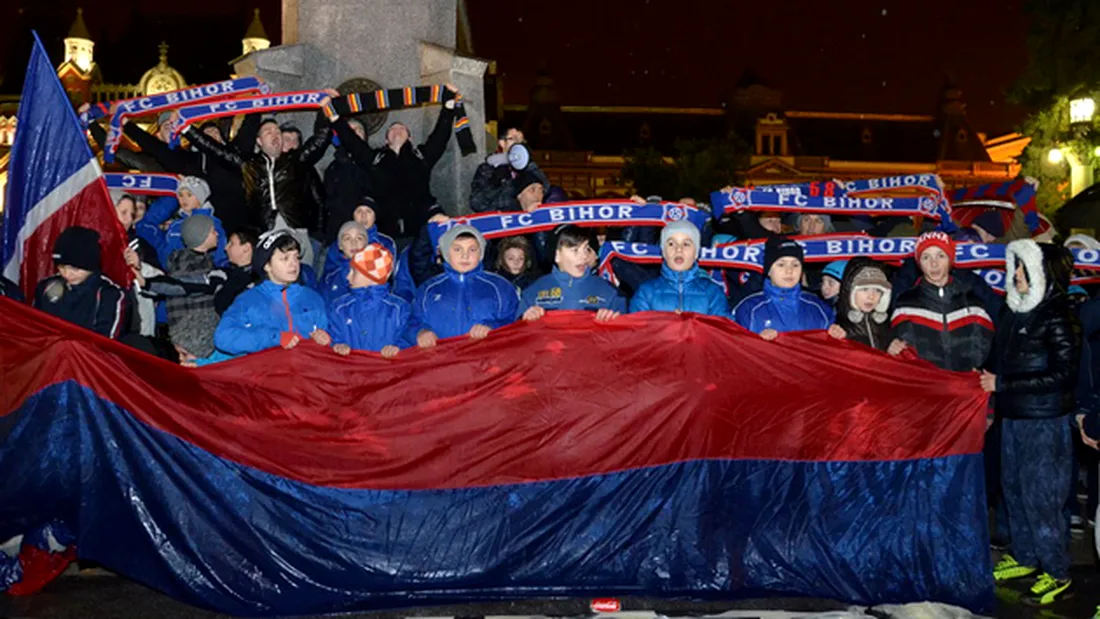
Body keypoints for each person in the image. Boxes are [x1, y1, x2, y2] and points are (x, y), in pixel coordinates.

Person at [981, 239, 1080, 606]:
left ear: (1044, 273)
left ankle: (1056, 571)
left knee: (1043, 497)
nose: (1016, 274)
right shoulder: (1014, 310)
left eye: (1023, 267)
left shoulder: (1058, 316)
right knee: (1015, 490)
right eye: (1015, 266)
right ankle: (1025, 556)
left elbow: (1063, 374)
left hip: (1044, 421)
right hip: (1014, 418)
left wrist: (1003, 384)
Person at [183, 112, 334, 266]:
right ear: (259, 141)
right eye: (268, 132)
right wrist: (187, 129)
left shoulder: (296, 161)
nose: (274, 134)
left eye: (277, 132)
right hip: (264, 232)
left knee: (302, 277)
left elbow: (320, 140)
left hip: (296, 231)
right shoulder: (248, 165)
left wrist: (326, 110)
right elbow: (215, 150)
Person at [325, 85, 459, 241]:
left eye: (401, 128)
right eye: (392, 129)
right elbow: (353, 142)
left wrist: (448, 106)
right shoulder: (375, 158)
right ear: (386, 139)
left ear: (410, 138)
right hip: (384, 231)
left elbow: (440, 137)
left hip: (420, 227)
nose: (396, 130)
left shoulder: (421, 156)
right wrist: (334, 115)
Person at [214, 230, 333, 356]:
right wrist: (274, 337)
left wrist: (326, 339)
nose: (293, 264)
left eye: (296, 257)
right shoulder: (249, 300)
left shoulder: (312, 298)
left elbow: (329, 337)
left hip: (304, 371)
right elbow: (223, 337)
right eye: (284, 258)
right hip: (267, 372)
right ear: (267, 266)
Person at [888, 231, 994, 371]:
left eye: (941, 256)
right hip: (927, 385)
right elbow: (902, 355)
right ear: (919, 263)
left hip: (963, 385)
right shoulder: (906, 304)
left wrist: (976, 369)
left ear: (950, 260)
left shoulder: (973, 301)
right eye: (926, 257)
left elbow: (989, 346)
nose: (934, 263)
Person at [409, 225, 518, 347]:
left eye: (472, 250)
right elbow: (411, 322)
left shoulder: (500, 287)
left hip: (485, 362)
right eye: (457, 249)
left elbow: (516, 322)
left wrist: (493, 328)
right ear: (445, 252)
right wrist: (419, 333)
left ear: (481, 253)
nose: (465, 256)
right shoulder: (428, 289)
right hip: (440, 362)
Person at [733, 236, 834, 338]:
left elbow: (833, 348)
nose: (789, 271)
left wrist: (841, 332)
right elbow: (735, 347)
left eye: (795, 265)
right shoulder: (749, 309)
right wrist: (756, 342)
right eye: (781, 265)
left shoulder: (818, 307)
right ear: (768, 270)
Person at [33, 227, 125, 339]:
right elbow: (34, 327)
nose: (67, 274)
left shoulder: (108, 294)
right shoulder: (46, 287)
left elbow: (106, 342)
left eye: (75, 269)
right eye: (61, 267)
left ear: (90, 266)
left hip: (84, 355)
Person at [520, 225, 625, 321]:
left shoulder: (610, 292)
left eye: (586, 249)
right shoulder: (532, 292)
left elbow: (626, 336)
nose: (584, 256)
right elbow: (515, 335)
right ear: (557, 255)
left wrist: (613, 321)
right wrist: (525, 320)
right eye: (575, 250)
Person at [629, 221, 729, 317]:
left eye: (686, 244)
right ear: (663, 252)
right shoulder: (646, 292)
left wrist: (689, 325)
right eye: (671, 244)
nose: (679, 249)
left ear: (696, 253)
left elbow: (724, 330)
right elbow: (636, 331)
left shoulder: (712, 293)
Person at [328, 243, 411, 358]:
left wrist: (398, 348)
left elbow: (408, 336)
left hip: (386, 373)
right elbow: (331, 335)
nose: (347, 276)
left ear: (371, 277)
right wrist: (337, 345)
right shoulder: (340, 308)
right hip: (351, 373)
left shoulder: (398, 309)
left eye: (354, 271)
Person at [164, 215, 223, 361]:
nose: (217, 234)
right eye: (212, 231)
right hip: (193, 341)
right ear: (201, 236)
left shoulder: (201, 262)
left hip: (194, 337)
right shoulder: (192, 267)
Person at [136, 176, 229, 268]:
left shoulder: (212, 224)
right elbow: (147, 224)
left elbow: (220, 258)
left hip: (196, 277)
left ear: (200, 197)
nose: (184, 199)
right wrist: (172, 192)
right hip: (171, 275)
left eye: (189, 195)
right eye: (180, 195)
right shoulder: (177, 224)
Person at [469, 126, 551, 213]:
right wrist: (496, 185)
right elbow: (476, 202)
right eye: (514, 139)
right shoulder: (487, 169)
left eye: (521, 140)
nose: (519, 143)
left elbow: (545, 186)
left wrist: (529, 164)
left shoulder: (528, 167)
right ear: (502, 143)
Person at [322, 118, 375, 244]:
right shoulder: (333, 166)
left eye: (359, 130)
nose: (354, 133)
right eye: (349, 130)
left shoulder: (375, 162)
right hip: (338, 236)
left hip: (367, 235)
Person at [827, 258, 892, 350]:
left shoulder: (887, 325)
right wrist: (835, 338)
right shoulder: (835, 322)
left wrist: (893, 343)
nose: (871, 296)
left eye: (877, 290)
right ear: (850, 291)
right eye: (864, 289)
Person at [214, 228, 259, 315]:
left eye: (231, 243)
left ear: (246, 248)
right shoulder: (228, 273)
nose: (226, 248)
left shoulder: (255, 279)